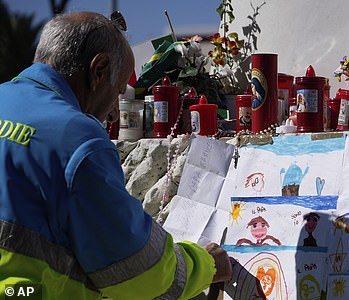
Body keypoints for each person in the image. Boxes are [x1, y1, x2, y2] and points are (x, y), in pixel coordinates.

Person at [0, 11, 231, 299]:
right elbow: (139, 271)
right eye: (119, 91)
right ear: (99, 69)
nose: (113, 113)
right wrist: (205, 265)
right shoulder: (78, 139)